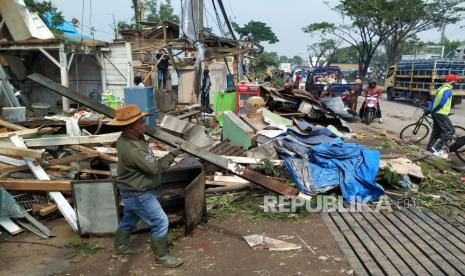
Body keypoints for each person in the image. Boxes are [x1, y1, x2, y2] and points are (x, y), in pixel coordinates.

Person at [108, 104, 183, 268]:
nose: (144, 124)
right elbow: (155, 168)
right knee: (160, 222)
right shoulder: (132, 148)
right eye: (141, 122)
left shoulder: (131, 139)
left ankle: (120, 248)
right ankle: (161, 257)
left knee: (129, 219)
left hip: (130, 190)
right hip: (138, 193)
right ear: (130, 128)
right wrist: (173, 153)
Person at [426, 74, 460, 159]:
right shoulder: (448, 90)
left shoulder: (441, 88)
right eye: (456, 81)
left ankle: (429, 148)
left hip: (435, 113)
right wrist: (436, 109)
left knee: (436, 132)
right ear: (453, 81)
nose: (456, 82)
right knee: (450, 131)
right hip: (441, 113)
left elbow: (433, 100)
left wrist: (431, 109)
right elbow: (442, 102)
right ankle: (437, 147)